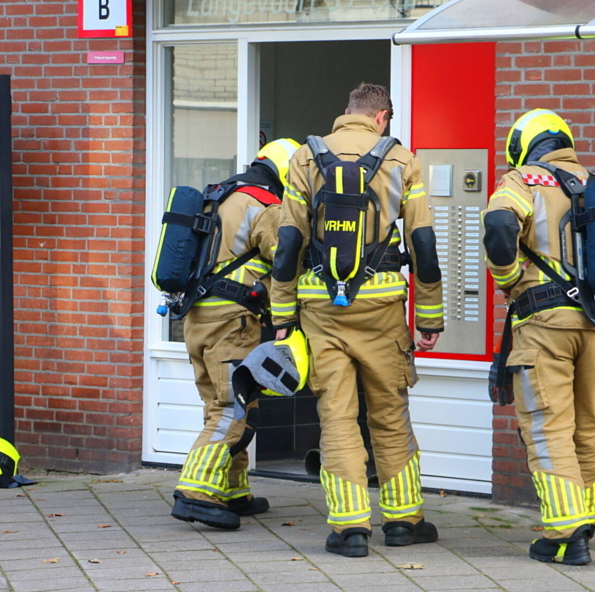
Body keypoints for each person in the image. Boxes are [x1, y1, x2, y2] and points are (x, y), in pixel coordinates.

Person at [482, 109, 595, 566]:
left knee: (548, 429)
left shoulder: (522, 181)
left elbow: (500, 229)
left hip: (545, 325)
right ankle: (585, 521)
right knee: (587, 426)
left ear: (524, 144)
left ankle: (564, 536)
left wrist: (507, 279)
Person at [270, 83, 444, 557]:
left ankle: (349, 529)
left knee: (338, 418)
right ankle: (404, 521)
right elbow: (424, 245)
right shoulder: (402, 160)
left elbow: (288, 243)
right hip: (383, 306)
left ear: (345, 113)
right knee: (390, 414)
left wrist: (282, 314)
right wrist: (429, 316)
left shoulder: (305, 159)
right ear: (382, 117)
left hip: (321, 307)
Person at [171, 138, 300, 531]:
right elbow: (285, 260)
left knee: (226, 405)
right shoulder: (264, 204)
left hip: (197, 319)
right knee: (233, 408)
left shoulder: (219, 196)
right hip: (232, 321)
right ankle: (194, 492)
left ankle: (232, 490)